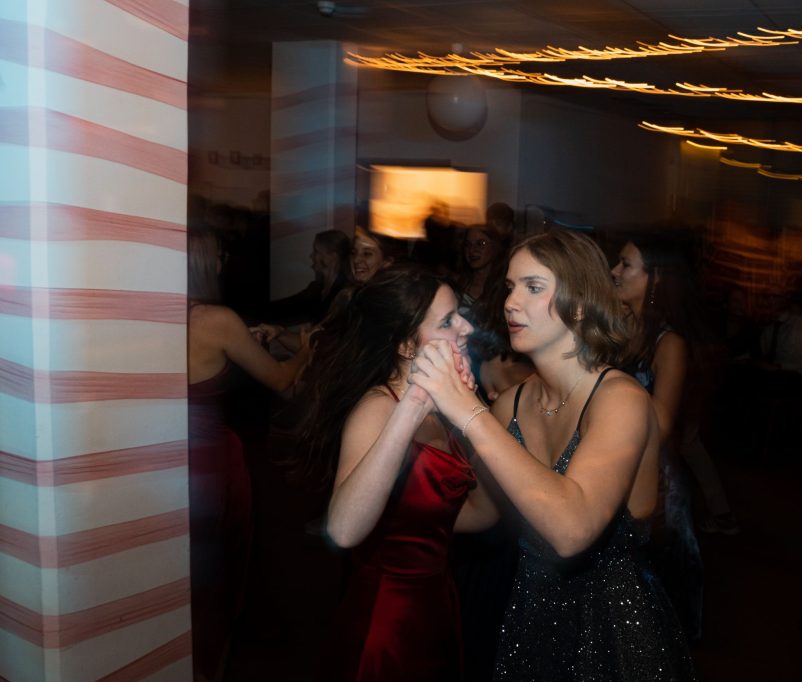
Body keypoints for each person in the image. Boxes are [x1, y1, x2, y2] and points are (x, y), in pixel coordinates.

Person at [410, 230, 696, 681]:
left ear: (579, 304)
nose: (510, 302)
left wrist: (468, 412)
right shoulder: (511, 405)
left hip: (613, 628)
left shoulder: (621, 399)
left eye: (533, 287)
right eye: (510, 287)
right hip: (532, 618)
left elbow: (571, 530)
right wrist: (400, 480)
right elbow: (480, 510)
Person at [302, 266, 496, 681]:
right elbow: (343, 531)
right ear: (408, 345)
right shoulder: (379, 408)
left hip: (435, 606)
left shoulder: (444, 410)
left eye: (460, 315)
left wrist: (470, 416)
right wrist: (415, 402)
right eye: (448, 321)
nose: (466, 327)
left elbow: (480, 514)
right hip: (387, 620)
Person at [187, 227, 311, 681]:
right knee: (216, 578)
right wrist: (306, 350)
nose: (223, 263)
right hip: (210, 463)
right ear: (204, 262)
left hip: (163, 461)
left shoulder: (149, 315)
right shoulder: (215, 319)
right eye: (218, 255)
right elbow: (281, 381)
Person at [610, 234, 709, 639]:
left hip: (654, 484)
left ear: (657, 278)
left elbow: (663, 423)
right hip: (615, 467)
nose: (614, 271)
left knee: (649, 612)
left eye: (626, 264)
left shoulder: (669, 344)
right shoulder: (617, 330)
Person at [263, 229, 351, 326]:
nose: (311, 256)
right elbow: (287, 306)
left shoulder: (345, 293)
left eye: (316, 251)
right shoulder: (316, 288)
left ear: (332, 257)